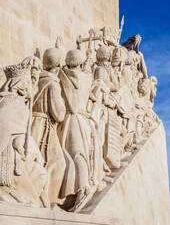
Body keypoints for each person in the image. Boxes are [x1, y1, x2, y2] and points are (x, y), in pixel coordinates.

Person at [58, 49, 102, 212]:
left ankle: (83, 188)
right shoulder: (87, 77)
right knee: (78, 153)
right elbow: (85, 70)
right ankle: (73, 192)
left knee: (76, 153)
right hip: (83, 119)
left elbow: (60, 70)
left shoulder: (64, 75)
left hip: (73, 118)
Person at [0, 63, 48, 207]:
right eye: (27, 82)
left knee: (40, 173)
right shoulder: (12, 103)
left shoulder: (14, 103)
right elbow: (16, 139)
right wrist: (32, 152)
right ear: (19, 85)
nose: (30, 87)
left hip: (19, 157)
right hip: (11, 160)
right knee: (39, 174)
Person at [31, 46, 66, 206]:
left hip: (33, 123)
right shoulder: (53, 84)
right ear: (58, 66)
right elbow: (59, 114)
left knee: (36, 162)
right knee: (58, 163)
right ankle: (49, 202)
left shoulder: (37, 80)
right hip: (45, 126)